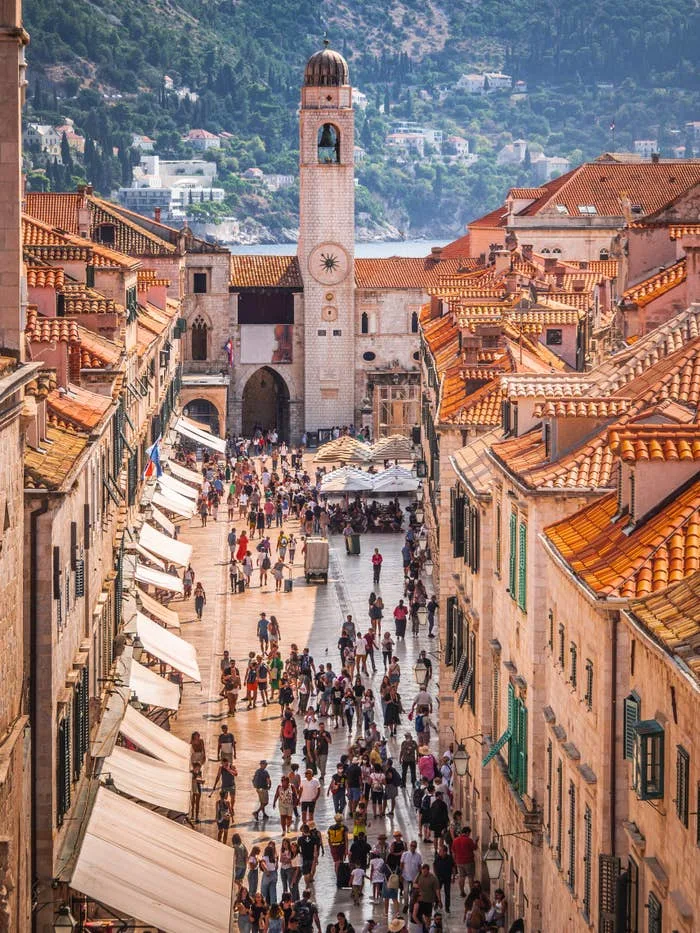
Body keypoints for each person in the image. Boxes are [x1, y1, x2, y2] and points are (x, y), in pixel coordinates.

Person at [451, 827, 479, 896]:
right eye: (469, 833)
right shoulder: (468, 840)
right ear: (467, 832)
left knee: (461, 877)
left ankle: (462, 892)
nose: (469, 834)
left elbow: (453, 851)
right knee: (470, 877)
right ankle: (472, 893)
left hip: (459, 862)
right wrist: (476, 841)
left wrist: (455, 860)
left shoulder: (455, 840)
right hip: (469, 861)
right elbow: (474, 848)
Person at [400, 840, 423, 909]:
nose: (413, 847)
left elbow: (419, 867)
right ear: (410, 846)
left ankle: (411, 906)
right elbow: (401, 864)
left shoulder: (418, 856)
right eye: (412, 846)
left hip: (415, 878)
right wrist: (401, 874)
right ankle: (406, 905)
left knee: (413, 894)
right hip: (406, 876)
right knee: (406, 892)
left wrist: (420, 877)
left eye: (414, 846)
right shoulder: (405, 854)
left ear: (416, 847)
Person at [433, 843, 455, 914]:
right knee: (437, 891)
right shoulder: (437, 857)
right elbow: (434, 865)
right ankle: (437, 903)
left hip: (447, 878)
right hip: (439, 877)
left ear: (445, 852)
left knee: (447, 893)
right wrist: (435, 875)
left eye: (440, 851)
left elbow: (453, 867)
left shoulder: (449, 858)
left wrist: (453, 877)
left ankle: (447, 907)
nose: (439, 852)